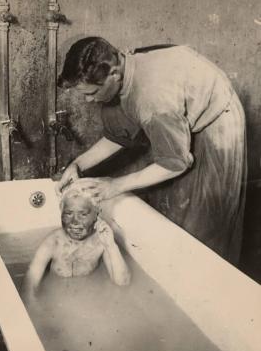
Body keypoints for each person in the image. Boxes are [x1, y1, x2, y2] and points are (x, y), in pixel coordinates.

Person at [56, 37, 247, 264]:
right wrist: (78, 164)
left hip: (217, 120)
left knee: (206, 222)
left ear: (114, 74)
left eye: (92, 92)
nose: (88, 100)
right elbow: (117, 137)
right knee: (175, 209)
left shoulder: (153, 101)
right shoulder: (122, 75)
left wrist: (115, 185)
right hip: (180, 113)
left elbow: (175, 163)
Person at [23, 179, 130, 293]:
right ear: (61, 211)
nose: (74, 222)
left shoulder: (101, 241)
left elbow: (123, 283)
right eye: (68, 214)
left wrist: (111, 246)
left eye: (83, 214)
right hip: (55, 294)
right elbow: (29, 284)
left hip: (89, 296)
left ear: (97, 213)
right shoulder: (53, 242)